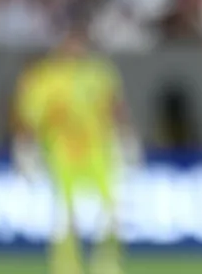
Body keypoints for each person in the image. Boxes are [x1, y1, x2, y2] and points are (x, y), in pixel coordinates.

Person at [11, 25, 141, 274]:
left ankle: (107, 264)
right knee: (64, 217)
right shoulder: (44, 78)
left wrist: (127, 138)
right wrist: (24, 149)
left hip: (98, 153)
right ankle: (66, 267)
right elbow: (27, 117)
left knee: (112, 212)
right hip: (61, 155)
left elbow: (115, 108)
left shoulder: (98, 73)